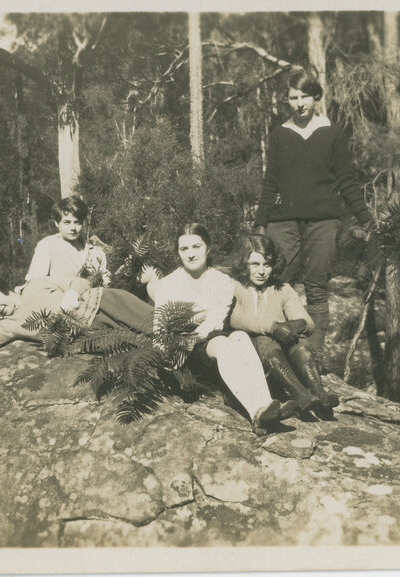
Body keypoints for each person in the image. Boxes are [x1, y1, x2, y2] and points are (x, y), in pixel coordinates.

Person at [253, 69, 374, 359]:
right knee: (278, 281)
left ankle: (313, 359)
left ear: (316, 96)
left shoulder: (332, 133)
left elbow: (346, 179)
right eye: (293, 97)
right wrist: (260, 223)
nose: (299, 103)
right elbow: (271, 181)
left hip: (324, 221)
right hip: (283, 221)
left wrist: (365, 216)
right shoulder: (280, 134)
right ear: (287, 100)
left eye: (305, 96)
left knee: (317, 288)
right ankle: (275, 354)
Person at [141, 223, 285, 435]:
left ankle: (266, 406)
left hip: (209, 344)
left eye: (196, 247)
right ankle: (258, 412)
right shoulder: (169, 284)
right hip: (182, 357)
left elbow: (216, 322)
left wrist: (196, 335)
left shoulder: (222, 281)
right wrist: (168, 363)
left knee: (240, 337)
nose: (191, 254)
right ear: (178, 253)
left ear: (207, 248)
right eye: (184, 249)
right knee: (222, 344)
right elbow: (161, 330)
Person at [230, 235, 340, 418]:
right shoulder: (235, 287)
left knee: (299, 340)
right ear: (243, 263)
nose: (262, 271)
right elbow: (236, 319)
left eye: (267, 264)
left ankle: (319, 393)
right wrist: (272, 326)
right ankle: (299, 394)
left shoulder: (283, 289)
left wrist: (296, 324)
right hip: (253, 358)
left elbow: (307, 323)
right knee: (265, 338)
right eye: (255, 264)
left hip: (285, 355)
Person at [0, 273, 152, 357]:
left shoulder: (35, 284)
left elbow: (81, 282)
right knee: (150, 348)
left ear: (5, 289)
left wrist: (73, 293)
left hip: (105, 302)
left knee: (159, 324)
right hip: (92, 335)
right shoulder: (7, 326)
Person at [25, 196, 111, 287]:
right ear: (57, 223)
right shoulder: (47, 245)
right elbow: (36, 283)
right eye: (67, 222)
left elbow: (104, 286)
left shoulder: (96, 252)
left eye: (77, 222)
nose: (73, 228)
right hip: (59, 298)